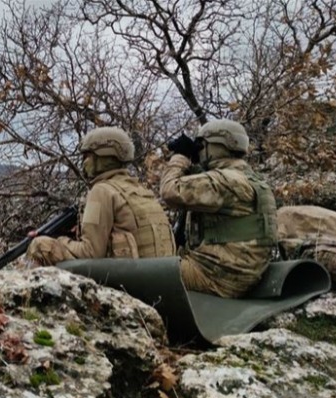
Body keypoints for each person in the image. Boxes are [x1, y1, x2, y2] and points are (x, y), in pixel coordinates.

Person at [160, 119, 277, 298]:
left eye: (201, 146)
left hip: (217, 277)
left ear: (214, 147)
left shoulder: (225, 181)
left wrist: (180, 157)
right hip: (242, 273)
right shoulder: (251, 179)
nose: (199, 151)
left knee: (141, 270)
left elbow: (169, 192)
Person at [27, 126, 175, 265]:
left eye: (87, 157)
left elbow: (90, 253)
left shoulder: (102, 191)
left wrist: (59, 240)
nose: (84, 163)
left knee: (41, 245)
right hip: (157, 275)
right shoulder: (139, 189)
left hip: (130, 280)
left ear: (104, 158)